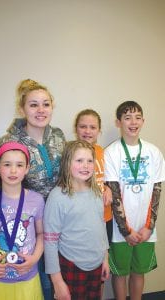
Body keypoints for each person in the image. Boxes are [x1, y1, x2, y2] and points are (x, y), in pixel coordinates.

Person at [0, 79, 66, 300]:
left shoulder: (59, 136)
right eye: (33, 105)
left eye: (46, 104)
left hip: (60, 219)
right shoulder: (10, 140)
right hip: (31, 223)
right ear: (22, 109)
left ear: (52, 106)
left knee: (61, 282)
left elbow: (72, 172)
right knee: (40, 282)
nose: (40, 110)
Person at [104, 101, 165, 300]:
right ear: (118, 122)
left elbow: (157, 191)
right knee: (120, 273)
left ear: (143, 121)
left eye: (138, 117)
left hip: (146, 227)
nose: (133, 122)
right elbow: (114, 195)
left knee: (139, 272)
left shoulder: (153, 152)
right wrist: (126, 231)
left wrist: (149, 226)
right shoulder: (111, 153)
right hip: (120, 230)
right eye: (127, 117)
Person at [0, 141, 45, 300]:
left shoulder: (37, 200)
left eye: (19, 165)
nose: (13, 170)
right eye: (7, 164)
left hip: (27, 278)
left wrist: (34, 259)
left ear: (27, 169)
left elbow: (41, 233)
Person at [44, 140, 110, 300]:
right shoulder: (58, 196)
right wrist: (57, 281)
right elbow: (50, 242)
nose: (85, 165)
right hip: (71, 266)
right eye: (79, 160)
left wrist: (105, 258)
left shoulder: (96, 192)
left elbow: (101, 226)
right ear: (67, 163)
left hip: (96, 263)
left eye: (89, 161)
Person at [74, 108, 113, 299]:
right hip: (80, 221)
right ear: (76, 129)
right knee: (79, 271)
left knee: (101, 271)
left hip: (104, 219)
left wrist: (109, 188)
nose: (88, 131)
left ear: (99, 130)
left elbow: (109, 179)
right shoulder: (71, 152)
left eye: (92, 127)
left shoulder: (103, 153)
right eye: (83, 126)